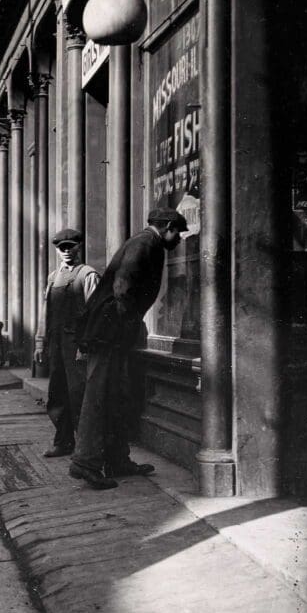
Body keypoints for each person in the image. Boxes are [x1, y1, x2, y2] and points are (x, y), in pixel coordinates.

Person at [70, 208, 189, 490]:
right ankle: (85, 463)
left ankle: (117, 460)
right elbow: (122, 288)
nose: (179, 240)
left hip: (112, 332)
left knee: (116, 395)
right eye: (179, 233)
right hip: (110, 333)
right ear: (169, 227)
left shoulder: (145, 242)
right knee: (99, 396)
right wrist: (126, 327)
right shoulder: (146, 244)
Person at [34, 228, 100, 458]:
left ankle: (85, 448)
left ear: (79, 246)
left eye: (70, 246)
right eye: (62, 248)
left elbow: (95, 315)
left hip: (78, 346)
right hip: (56, 344)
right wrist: (40, 344)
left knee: (79, 395)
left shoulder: (88, 275)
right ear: (57, 250)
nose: (66, 251)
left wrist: (87, 347)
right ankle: (63, 442)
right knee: (57, 394)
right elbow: (45, 314)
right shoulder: (53, 278)